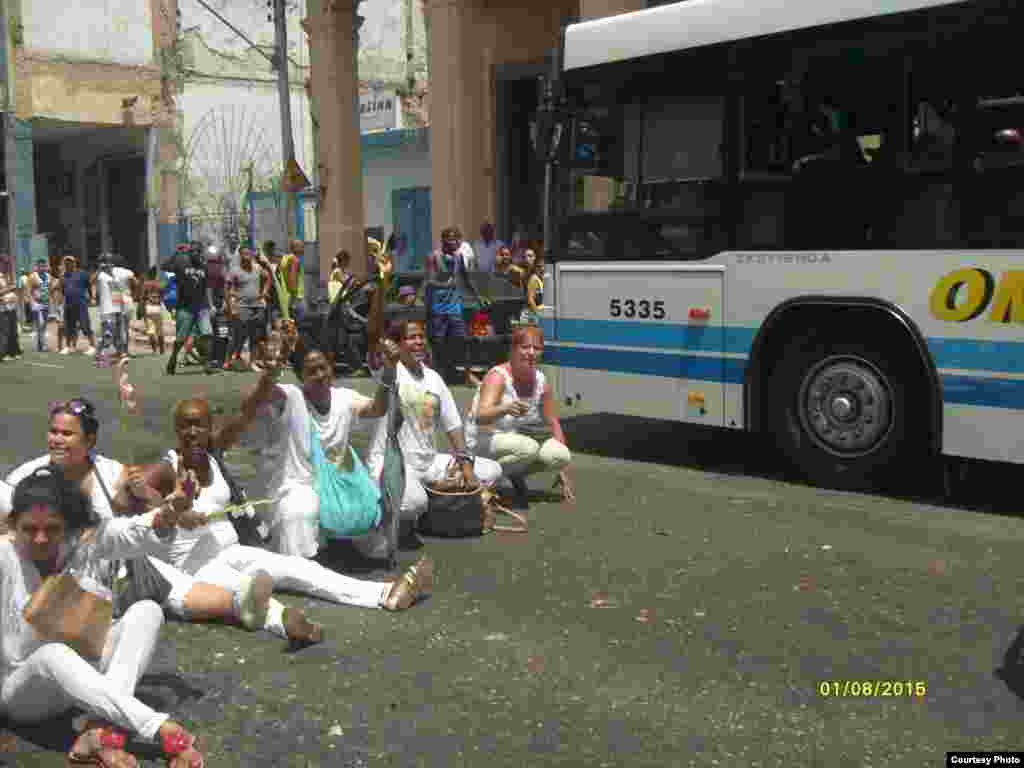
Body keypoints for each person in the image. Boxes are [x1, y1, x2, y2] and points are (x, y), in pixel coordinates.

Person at [132, 398, 432, 633]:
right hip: (195, 566)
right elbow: (134, 486)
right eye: (185, 425)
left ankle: (384, 594)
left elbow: (243, 417)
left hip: (231, 551)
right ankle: (287, 625)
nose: (192, 432)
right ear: (176, 429)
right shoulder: (169, 465)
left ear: (210, 428)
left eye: (199, 425)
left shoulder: (213, 457)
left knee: (300, 568)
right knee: (247, 592)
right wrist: (166, 505)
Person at [4, 398, 273, 635]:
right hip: (54, 571)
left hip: (114, 557)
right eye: (53, 431)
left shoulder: (111, 472)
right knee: (147, 585)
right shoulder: (25, 478)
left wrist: (162, 502)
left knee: (166, 580)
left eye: (67, 433)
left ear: (89, 441)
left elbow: (140, 516)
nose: (57, 440)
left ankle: (243, 604)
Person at [0, 466, 207, 768]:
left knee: (146, 611)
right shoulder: (4, 557)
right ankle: (156, 727)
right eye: (30, 529)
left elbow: (137, 530)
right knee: (53, 654)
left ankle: (102, 730)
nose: (41, 539)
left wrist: (174, 505)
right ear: (13, 523)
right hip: (23, 690)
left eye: (53, 529)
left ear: (69, 526)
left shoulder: (84, 542)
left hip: (84, 673)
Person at [237, 328, 407, 559]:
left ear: (331, 367)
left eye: (323, 368)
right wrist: (277, 366)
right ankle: (305, 557)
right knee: (300, 511)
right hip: (299, 487)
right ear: (300, 376)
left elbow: (378, 409)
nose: (320, 375)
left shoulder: (344, 398)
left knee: (376, 543)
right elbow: (250, 404)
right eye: (311, 371)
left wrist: (390, 370)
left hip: (339, 485)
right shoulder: (290, 397)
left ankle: (331, 534)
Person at [365, 317, 503, 537]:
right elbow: (373, 335)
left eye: (421, 336)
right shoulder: (389, 370)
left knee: (492, 471)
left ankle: (434, 495)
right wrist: (380, 285)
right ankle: (421, 502)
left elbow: (453, 426)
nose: (419, 342)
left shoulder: (434, 378)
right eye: (411, 337)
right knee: (413, 503)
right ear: (397, 344)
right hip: (391, 463)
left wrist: (466, 468)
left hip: (428, 463)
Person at [465, 324, 574, 504]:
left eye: (537, 348)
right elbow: (480, 416)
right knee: (528, 448)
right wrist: (505, 408)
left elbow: (552, 420)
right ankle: (480, 479)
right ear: (513, 350)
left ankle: (511, 473)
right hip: (481, 440)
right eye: (525, 347)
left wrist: (562, 469)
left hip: (511, 439)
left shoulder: (540, 379)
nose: (531, 352)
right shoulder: (498, 376)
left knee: (560, 455)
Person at [423, 227, 487, 385]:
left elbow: (466, 279)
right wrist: (445, 284)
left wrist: (479, 297)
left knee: (462, 340)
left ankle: (467, 375)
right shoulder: (433, 257)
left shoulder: (458, 257)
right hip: (437, 307)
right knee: (438, 343)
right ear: (443, 240)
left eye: (457, 239)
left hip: (454, 307)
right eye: (451, 239)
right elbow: (429, 281)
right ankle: (439, 376)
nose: (454, 243)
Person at [165, 243, 217, 376]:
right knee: (181, 339)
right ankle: (173, 358)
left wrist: (211, 305)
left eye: (198, 251)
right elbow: (164, 266)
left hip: (201, 307)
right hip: (185, 307)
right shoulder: (181, 263)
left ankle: (207, 363)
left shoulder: (204, 267)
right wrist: (176, 253)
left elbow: (207, 287)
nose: (195, 253)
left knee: (207, 334)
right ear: (189, 252)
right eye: (193, 251)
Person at [226, 246, 268, 372]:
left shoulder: (257, 268)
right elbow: (227, 289)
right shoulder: (234, 270)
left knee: (255, 336)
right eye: (244, 254)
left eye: (249, 253)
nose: (247, 256)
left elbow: (268, 278)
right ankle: (228, 360)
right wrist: (230, 306)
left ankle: (252, 362)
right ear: (240, 255)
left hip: (257, 306)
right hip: (242, 307)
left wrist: (264, 292)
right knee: (239, 335)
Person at [94, 257, 134, 364]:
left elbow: (117, 291)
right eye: (107, 263)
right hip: (106, 309)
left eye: (110, 263)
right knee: (108, 333)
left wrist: (120, 306)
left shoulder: (114, 276)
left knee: (117, 333)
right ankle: (100, 354)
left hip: (117, 308)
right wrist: (99, 269)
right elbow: (92, 281)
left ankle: (118, 353)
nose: (109, 265)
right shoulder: (101, 275)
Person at [62, 256, 97, 356]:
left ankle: (92, 346)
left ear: (74, 263)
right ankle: (68, 347)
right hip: (68, 305)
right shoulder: (64, 275)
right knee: (69, 327)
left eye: (70, 262)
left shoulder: (82, 274)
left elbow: (90, 286)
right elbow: (62, 290)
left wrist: (92, 297)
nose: (68, 264)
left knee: (85, 326)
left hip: (81, 304)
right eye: (66, 262)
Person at [0, 256, 23, 361]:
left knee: (13, 331)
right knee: (5, 331)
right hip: (2, 308)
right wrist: (9, 288)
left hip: (12, 307)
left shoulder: (8, 276)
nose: (6, 266)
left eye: (7, 264)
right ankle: (3, 354)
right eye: (4, 263)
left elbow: (15, 289)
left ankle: (13, 352)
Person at [26, 259, 51, 352]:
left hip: (46, 303)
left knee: (44, 324)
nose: (42, 268)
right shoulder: (32, 276)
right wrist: (32, 302)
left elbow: (50, 289)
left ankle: (43, 344)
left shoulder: (48, 276)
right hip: (36, 303)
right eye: (40, 266)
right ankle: (36, 345)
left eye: (44, 266)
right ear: (37, 267)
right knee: (37, 324)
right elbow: (28, 290)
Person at [279, 239, 305, 324]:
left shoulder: (284, 258)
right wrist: (293, 298)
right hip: (296, 298)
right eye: (302, 247)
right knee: (299, 326)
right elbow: (292, 278)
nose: (303, 249)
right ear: (295, 248)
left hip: (286, 296)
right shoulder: (294, 260)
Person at [142, 267, 166, 355]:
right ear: (155, 274)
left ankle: (154, 350)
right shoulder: (159, 284)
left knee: (150, 331)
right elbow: (163, 295)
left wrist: (141, 309)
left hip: (148, 307)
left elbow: (143, 297)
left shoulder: (146, 284)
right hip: (157, 307)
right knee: (160, 331)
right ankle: (162, 350)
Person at [521, 250, 545, 325]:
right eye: (539, 267)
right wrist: (538, 315)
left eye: (543, 266)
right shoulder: (534, 279)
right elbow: (530, 299)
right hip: (530, 316)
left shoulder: (542, 279)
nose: (542, 269)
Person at [50, 258, 66, 354]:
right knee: (60, 326)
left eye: (62, 269)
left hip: (69, 304)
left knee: (71, 326)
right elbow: (51, 291)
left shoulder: (70, 277)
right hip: (60, 305)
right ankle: (59, 346)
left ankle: (70, 345)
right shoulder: (56, 280)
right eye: (60, 269)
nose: (61, 270)